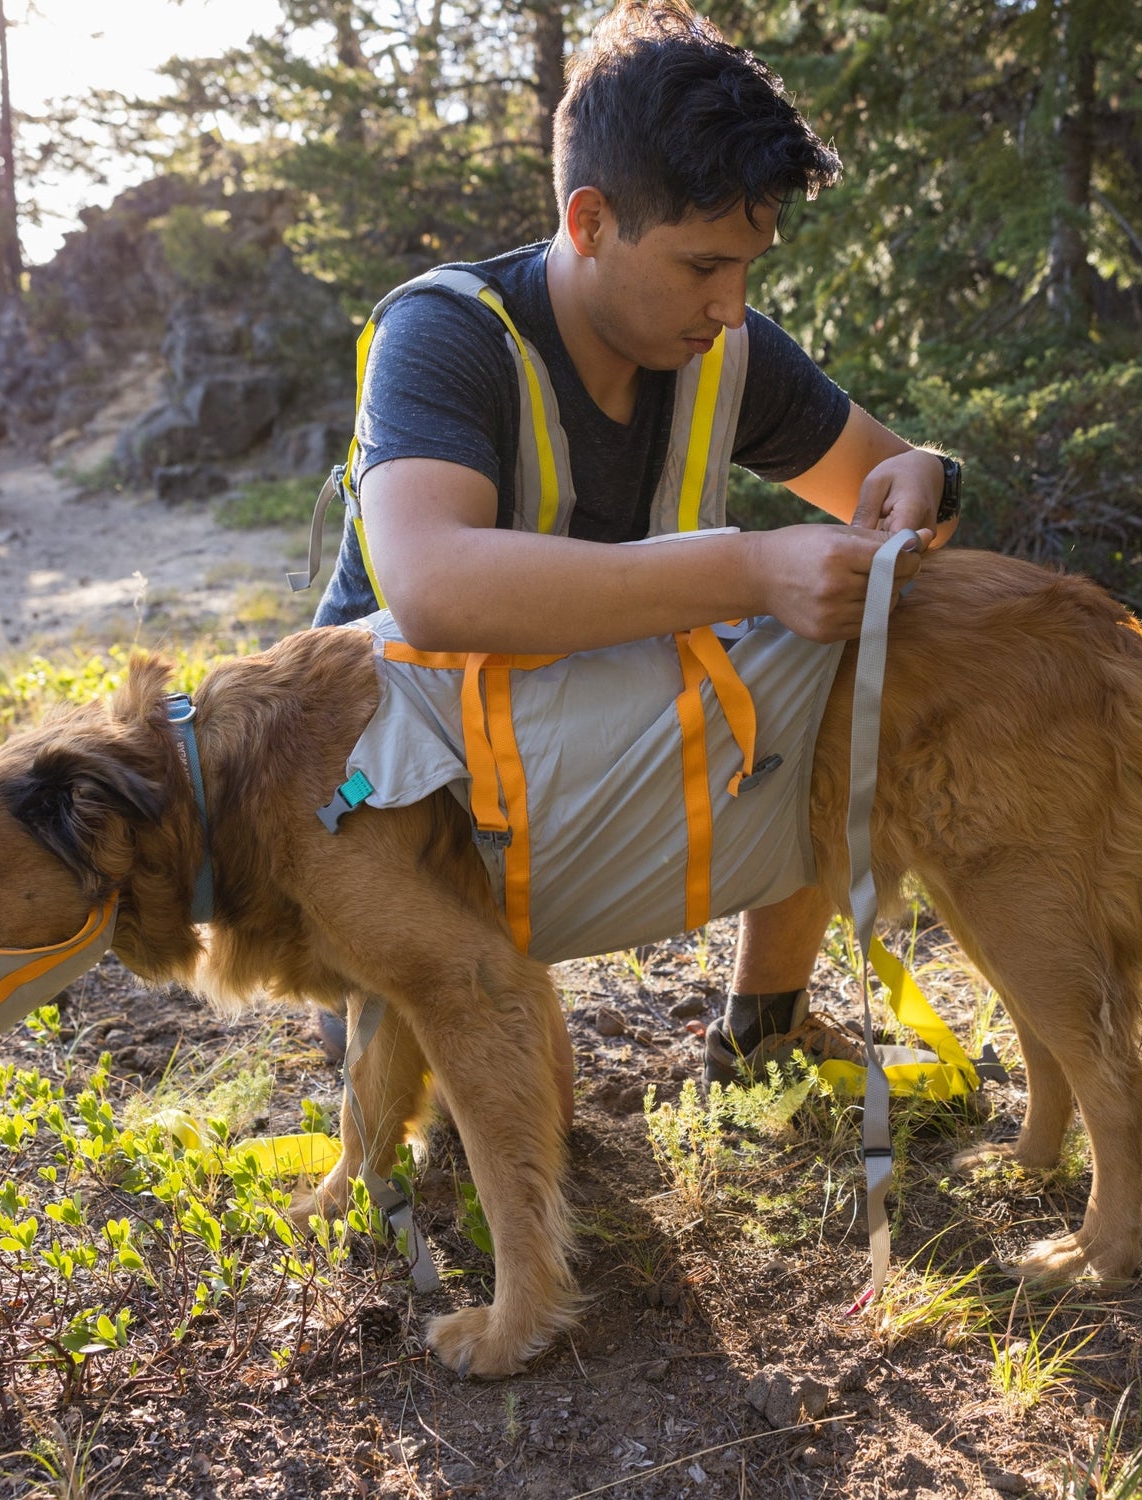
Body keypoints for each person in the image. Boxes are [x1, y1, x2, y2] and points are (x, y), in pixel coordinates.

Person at [311, 0, 961, 1086]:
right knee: (488, 1095)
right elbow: (432, 585)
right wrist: (752, 566)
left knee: (846, 641)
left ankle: (763, 1025)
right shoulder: (445, 333)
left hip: (578, 743)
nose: (730, 306)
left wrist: (928, 476)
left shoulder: (723, 345)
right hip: (401, 785)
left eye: (748, 267)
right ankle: (383, 1002)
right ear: (590, 221)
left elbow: (889, 485)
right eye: (703, 265)